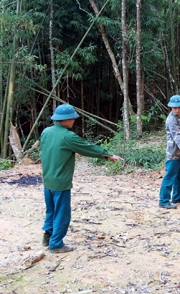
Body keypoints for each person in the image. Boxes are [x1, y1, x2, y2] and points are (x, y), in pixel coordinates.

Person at [40, 104, 123, 253]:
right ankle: (56, 244)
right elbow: (87, 148)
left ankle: (48, 236)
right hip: (61, 182)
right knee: (62, 213)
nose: (74, 121)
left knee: (51, 210)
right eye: (72, 118)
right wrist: (107, 154)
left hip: (47, 180)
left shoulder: (46, 132)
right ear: (65, 119)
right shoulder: (68, 136)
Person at [159, 95, 180, 209]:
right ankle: (164, 201)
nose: (177, 110)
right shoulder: (171, 120)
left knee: (179, 176)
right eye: (175, 108)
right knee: (170, 177)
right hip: (174, 152)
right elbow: (177, 137)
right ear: (171, 108)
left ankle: (177, 197)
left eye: (179, 107)